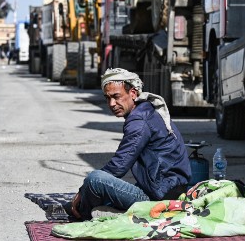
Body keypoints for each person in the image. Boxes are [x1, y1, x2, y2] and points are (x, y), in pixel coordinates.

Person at [70, 68, 191, 220]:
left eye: (116, 97)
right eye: (108, 98)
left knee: (95, 180)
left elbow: (118, 166)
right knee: (103, 188)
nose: (112, 104)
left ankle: (81, 214)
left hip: (159, 198)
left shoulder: (139, 121)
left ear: (133, 93)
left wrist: (82, 192)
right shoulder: (145, 110)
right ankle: (103, 211)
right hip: (166, 190)